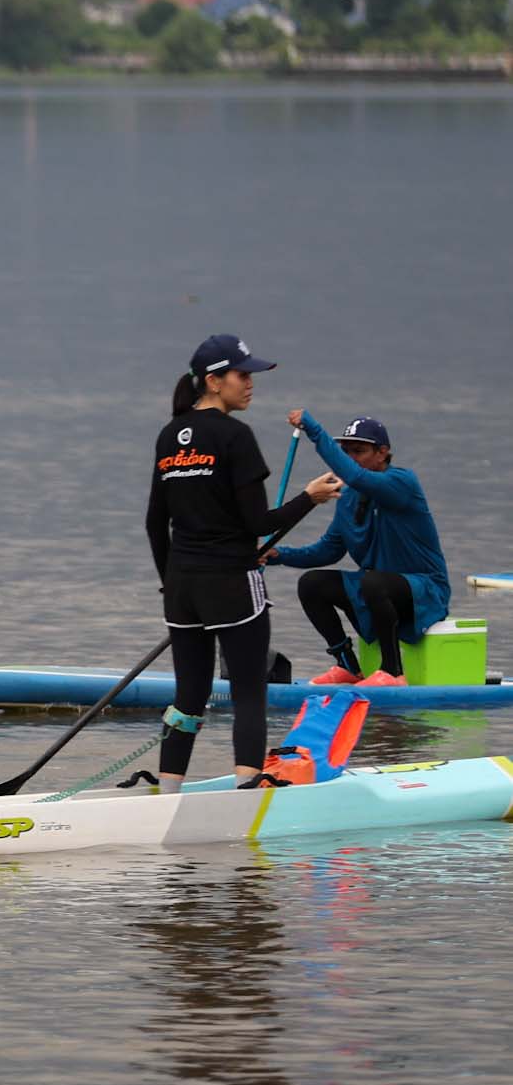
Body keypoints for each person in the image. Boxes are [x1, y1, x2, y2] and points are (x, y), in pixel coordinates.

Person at [143, 335, 329, 791]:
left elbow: (154, 524)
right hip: (230, 583)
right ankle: (247, 791)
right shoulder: (235, 436)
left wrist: (172, 584)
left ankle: (166, 793)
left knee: (189, 696)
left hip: (182, 587)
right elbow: (258, 522)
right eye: (242, 375)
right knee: (249, 691)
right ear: (213, 381)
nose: (250, 384)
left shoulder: (170, 435)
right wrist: (311, 497)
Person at [266, 411, 450, 687]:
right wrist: (279, 555)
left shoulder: (401, 482)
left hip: (424, 589)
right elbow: (327, 551)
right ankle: (348, 666)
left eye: (359, 451)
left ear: (383, 453)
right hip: (377, 591)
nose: (350, 458)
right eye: (346, 451)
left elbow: (355, 475)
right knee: (313, 584)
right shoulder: (349, 496)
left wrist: (313, 429)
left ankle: (391, 672)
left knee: (372, 581)